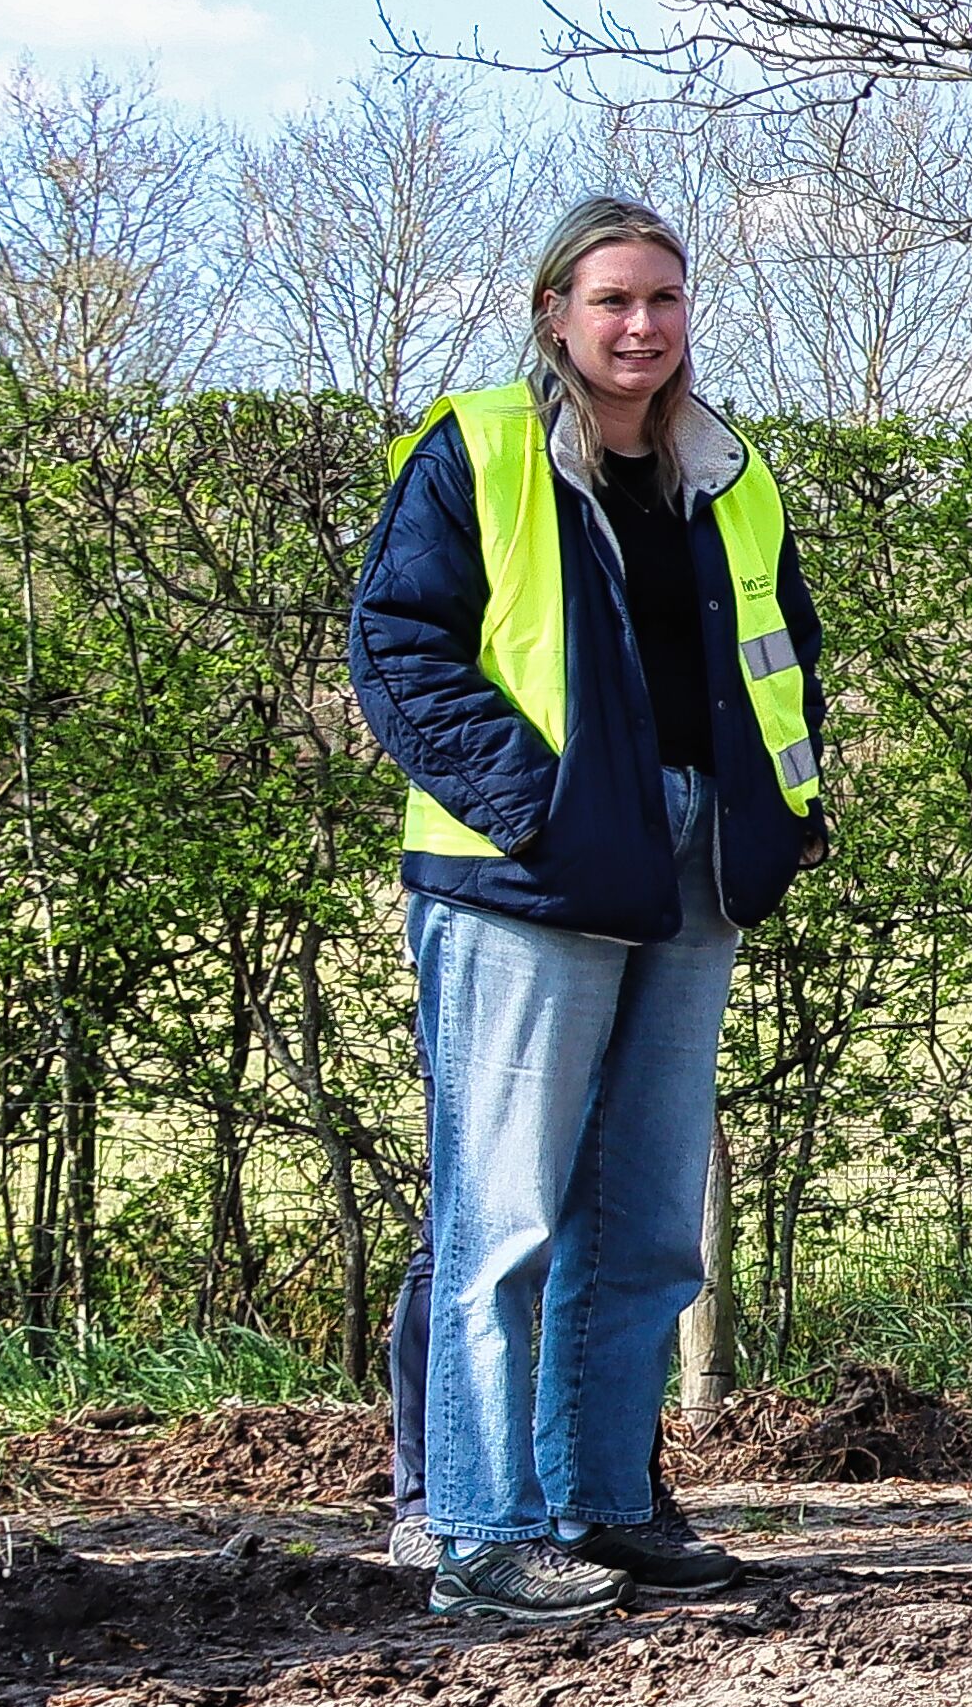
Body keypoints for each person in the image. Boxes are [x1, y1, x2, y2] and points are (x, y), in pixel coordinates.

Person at [349, 194, 820, 1625]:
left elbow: (781, 659)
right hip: (527, 881)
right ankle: (478, 1534)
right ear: (555, 311)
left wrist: (783, 819)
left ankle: (601, 1502)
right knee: (504, 1221)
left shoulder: (730, 475)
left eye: (664, 298)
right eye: (613, 299)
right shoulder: (478, 448)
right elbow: (397, 649)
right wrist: (544, 807)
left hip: (692, 871)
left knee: (647, 1229)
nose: (641, 325)